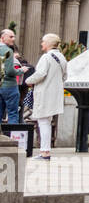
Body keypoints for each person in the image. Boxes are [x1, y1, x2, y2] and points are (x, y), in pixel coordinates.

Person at [25, 33, 67, 161]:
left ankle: (45, 152)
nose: (41, 44)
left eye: (43, 41)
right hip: (55, 94)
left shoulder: (46, 57)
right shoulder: (62, 57)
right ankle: (45, 151)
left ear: (48, 43)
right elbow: (65, 76)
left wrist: (28, 80)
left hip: (44, 93)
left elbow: (41, 73)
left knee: (43, 123)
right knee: (46, 123)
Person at [0, 28, 20, 130]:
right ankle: (11, 140)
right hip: (9, 86)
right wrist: (21, 71)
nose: (14, 39)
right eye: (11, 37)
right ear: (3, 38)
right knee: (12, 113)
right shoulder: (8, 51)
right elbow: (10, 71)